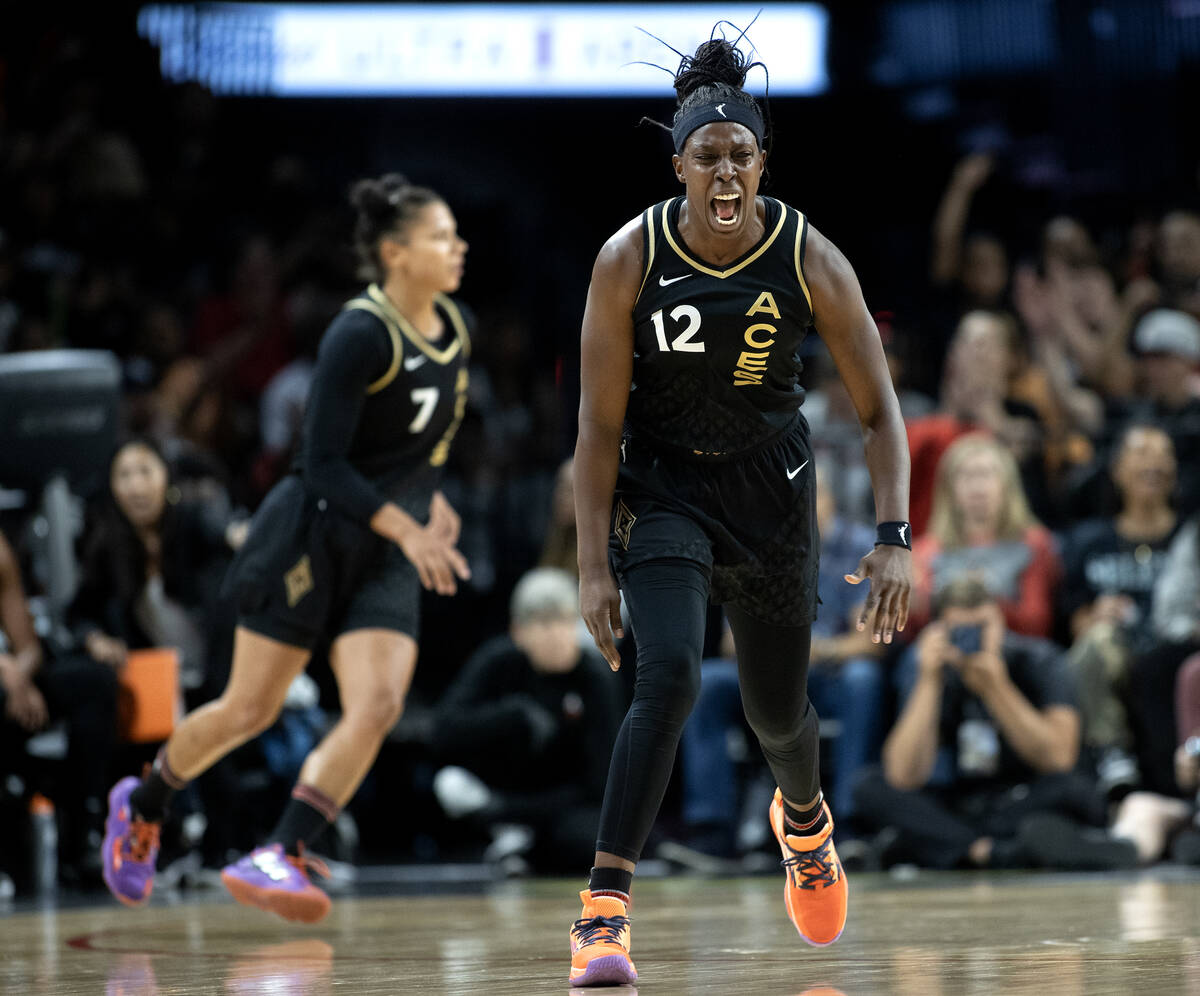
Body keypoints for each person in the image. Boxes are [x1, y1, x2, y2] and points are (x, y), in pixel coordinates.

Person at [570, 37, 912, 986]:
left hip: (771, 493)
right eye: (706, 155)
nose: (725, 170)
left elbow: (881, 412)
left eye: (740, 154)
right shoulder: (626, 258)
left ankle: (804, 825)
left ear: (763, 162)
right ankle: (602, 912)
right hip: (665, 486)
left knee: (776, 714)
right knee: (669, 676)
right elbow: (597, 429)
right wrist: (594, 564)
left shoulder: (809, 255)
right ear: (677, 164)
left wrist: (893, 538)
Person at [100, 173, 472, 923]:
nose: (456, 247)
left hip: (386, 546)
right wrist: (403, 523)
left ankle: (284, 850)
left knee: (380, 702)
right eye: (440, 236)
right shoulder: (359, 331)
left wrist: (430, 503)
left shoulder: (454, 330)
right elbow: (325, 463)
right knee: (248, 710)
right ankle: (143, 803)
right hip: (312, 533)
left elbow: (420, 448)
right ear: (395, 253)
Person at [853, 577, 1136, 872]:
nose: (972, 640)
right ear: (939, 631)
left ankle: (936, 846)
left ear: (1001, 621)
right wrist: (928, 681)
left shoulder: (1040, 659)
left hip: (1029, 793)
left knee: (1076, 791)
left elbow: (1059, 759)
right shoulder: (930, 668)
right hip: (967, 800)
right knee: (868, 787)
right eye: (961, 631)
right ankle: (993, 850)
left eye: (982, 628)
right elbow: (904, 775)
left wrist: (997, 688)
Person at [430, 568, 624, 872]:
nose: (555, 634)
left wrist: (513, 810)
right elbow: (443, 730)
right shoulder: (498, 663)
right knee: (448, 786)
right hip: (497, 792)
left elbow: (600, 780)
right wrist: (512, 715)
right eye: (543, 623)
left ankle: (521, 844)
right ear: (518, 631)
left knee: (589, 839)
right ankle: (510, 841)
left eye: (563, 621)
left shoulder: (595, 679)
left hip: (562, 802)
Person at [1061, 423, 1181, 795]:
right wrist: (1096, 615)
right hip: (1118, 655)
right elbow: (1073, 622)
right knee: (1096, 642)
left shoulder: (1189, 540)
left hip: (1175, 652)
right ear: (1117, 470)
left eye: (1163, 454)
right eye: (1141, 453)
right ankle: (1111, 753)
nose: (1153, 463)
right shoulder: (1089, 541)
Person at [0, 529, 118, 887]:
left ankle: (87, 833)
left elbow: (29, 647)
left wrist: (18, 676)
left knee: (92, 681)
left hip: (11, 685)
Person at [908, 434, 1062, 639]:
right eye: (966, 476)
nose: (977, 487)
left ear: (1007, 485)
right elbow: (914, 627)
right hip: (941, 647)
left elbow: (1037, 624)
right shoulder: (924, 551)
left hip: (1010, 648)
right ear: (948, 488)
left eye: (986, 474)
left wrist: (984, 599)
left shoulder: (1035, 543)